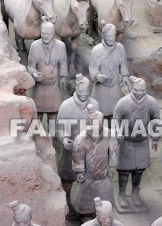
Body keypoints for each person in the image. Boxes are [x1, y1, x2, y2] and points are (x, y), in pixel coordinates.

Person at [56, 73, 99, 220]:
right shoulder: (66, 106)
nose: (84, 95)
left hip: (88, 151)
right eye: (81, 92)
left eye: (86, 92)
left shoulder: (94, 104)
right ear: (76, 89)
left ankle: (86, 208)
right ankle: (68, 205)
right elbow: (59, 130)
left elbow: (97, 126)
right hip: (70, 151)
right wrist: (63, 139)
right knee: (67, 180)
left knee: (89, 181)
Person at [113, 76, 160, 209]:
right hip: (126, 141)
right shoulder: (123, 102)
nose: (139, 93)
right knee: (123, 170)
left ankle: (134, 192)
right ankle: (122, 193)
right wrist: (118, 134)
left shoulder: (151, 102)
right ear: (133, 88)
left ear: (145, 89)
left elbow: (156, 120)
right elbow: (115, 120)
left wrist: (155, 137)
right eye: (137, 90)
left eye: (142, 90)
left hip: (142, 141)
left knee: (139, 169)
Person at [72, 104, 118, 221]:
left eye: (99, 125)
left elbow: (114, 151)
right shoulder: (81, 139)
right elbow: (78, 155)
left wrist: (112, 166)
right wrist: (80, 171)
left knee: (105, 202)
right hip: (88, 179)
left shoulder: (109, 135)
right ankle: (87, 216)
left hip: (103, 177)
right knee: (85, 204)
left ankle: (101, 215)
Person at [27, 19, 68, 125]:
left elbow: (63, 63)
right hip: (40, 87)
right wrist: (34, 73)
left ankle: (52, 137)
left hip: (54, 87)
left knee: (53, 114)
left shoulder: (61, 46)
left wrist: (63, 77)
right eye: (43, 33)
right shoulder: (35, 46)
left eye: (48, 34)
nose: (45, 36)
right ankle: (36, 136)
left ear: (54, 34)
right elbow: (30, 66)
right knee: (37, 114)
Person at [89, 21, 130, 119]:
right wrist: (97, 75)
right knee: (98, 114)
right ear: (103, 36)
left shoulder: (120, 48)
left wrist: (125, 77)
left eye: (113, 36)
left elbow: (123, 65)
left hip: (115, 86)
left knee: (116, 112)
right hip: (101, 88)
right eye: (108, 37)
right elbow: (92, 68)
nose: (111, 39)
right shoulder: (96, 50)